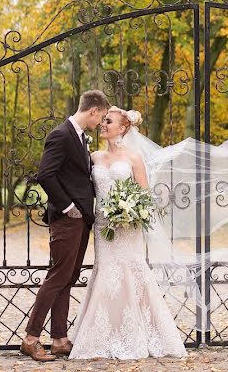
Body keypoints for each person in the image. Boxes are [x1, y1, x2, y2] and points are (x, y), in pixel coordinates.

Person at [67, 106, 187, 359]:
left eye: (108, 121)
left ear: (122, 128)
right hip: (103, 226)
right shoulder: (95, 157)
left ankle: (136, 333)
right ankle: (101, 334)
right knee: (105, 274)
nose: (103, 124)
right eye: (103, 120)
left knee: (132, 274)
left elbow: (145, 195)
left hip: (128, 228)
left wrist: (131, 212)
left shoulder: (133, 158)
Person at [20, 89, 110, 362]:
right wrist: (68, 207)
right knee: (57, 276)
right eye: (101, 117)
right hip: (67, 220)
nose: (100, 123)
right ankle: (31, 338)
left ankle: (59, 340)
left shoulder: (81, 139)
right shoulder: (61, 135)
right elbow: (46, 175)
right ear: (93, 111)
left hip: (81, 220)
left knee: (67, 279)